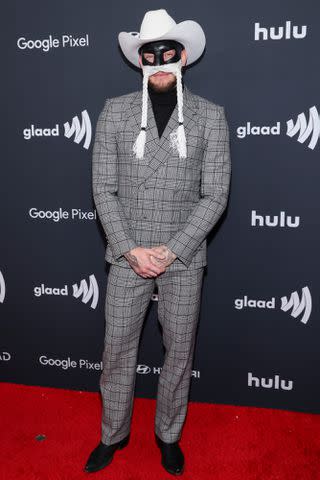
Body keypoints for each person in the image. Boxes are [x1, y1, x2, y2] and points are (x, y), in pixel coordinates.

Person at [84, 8, 231, 476]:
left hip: (183, 257)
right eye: (152, 54)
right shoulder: (114, 112)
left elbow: (216, 194)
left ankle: (168, 434)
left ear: (183, 57)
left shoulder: (211, 117)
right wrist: (131, 248)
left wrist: (173, 249)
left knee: (180, 351)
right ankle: (113, 433)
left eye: (169, 53)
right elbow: (103, 189)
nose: (161, 61)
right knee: (117, 350)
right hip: (128, 255)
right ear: (140, 59)